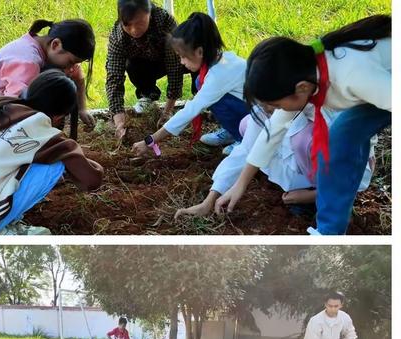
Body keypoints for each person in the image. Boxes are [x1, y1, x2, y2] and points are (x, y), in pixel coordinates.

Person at [214, 15, 391, 235]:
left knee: (340, 138)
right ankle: (330, 231)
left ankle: (328, 233)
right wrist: (239, 185)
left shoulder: (351, 76)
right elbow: (272, 133)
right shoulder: (308, 75)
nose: (276, 110)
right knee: (342, 138)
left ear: (302, 88)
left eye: (276, 104)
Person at [0, 69, 104, 235]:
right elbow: (91, 180)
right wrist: (80, 158)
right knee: (55, 165)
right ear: (59, 116)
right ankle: (2, 228)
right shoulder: (39, 125)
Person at [175, 104, 375, 219]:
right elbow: (247, 150)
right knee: (248, 124)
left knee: (302, 140)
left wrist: (311, 196)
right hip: (300, 157)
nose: (268, 111)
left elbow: (359, 176)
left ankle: (316, 194)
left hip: (334, 174)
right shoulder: (271, 107)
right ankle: (302, 184)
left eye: (272, 105)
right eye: (263, 105)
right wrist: (209, 201)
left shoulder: (333, 115)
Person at [132, 12, 249, 158]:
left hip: (261, 119)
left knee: (211, 93)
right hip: (251, 110)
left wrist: (150, 140)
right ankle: (233, 131)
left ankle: (245, 138)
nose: (181, 62)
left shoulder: (219, 76)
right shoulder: (221, 61)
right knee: (199, 82)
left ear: (200, 51)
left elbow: (190, 111)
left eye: (183, 56)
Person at [0, 18, 96, 129]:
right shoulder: (28, 61)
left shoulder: (43, 47)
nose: (71, 68)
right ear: (55, 44)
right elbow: (16, 109)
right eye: (71, 62)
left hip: (1, 113)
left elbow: (78, 78)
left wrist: (82, 109)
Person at [106, 0, 186, 139]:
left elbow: (175, 67)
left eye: (140, 23)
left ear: (150, 14)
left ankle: (203, 99)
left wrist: (167, 111)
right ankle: (147, 94)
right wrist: (119, 121)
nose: (134, 30)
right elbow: (114, 77)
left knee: (197, 61)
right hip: (145, 65)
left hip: (178, 59)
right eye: (127, 25)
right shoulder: (118, 36)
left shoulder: (164, 22)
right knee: (131, 64)